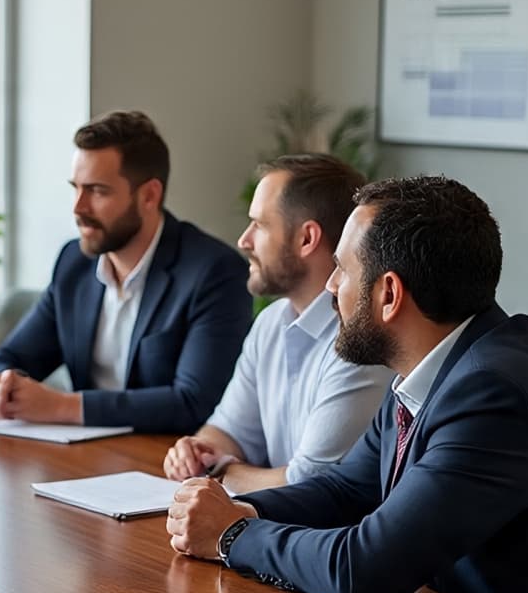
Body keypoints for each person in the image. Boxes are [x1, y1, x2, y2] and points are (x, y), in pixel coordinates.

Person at [166, 175, 528, 593]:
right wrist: (229, 508)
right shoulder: (436, 364)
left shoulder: (492, 395)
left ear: (389, 294)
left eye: (342, 270)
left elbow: (365, 568)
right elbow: (346, 490)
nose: (331, 286)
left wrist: (232, 534)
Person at [0, 110, 251, 431]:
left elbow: (195, 402)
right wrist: (1, 385)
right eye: (76, 188)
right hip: (81, 458)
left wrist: (63, 406)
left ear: (149, 195)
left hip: (168, 465)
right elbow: (11, 356)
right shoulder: (74, 263)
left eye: (97, 191)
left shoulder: (214, 272)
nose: (78, 207)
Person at [163, 155, 390, 491]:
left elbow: (307, 484)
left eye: (260, 224)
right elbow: (226, 432)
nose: (244, 240)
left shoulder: (360, 341)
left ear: (306, 239)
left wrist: (218, 471)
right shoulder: (271, 321)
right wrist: (195, 452)